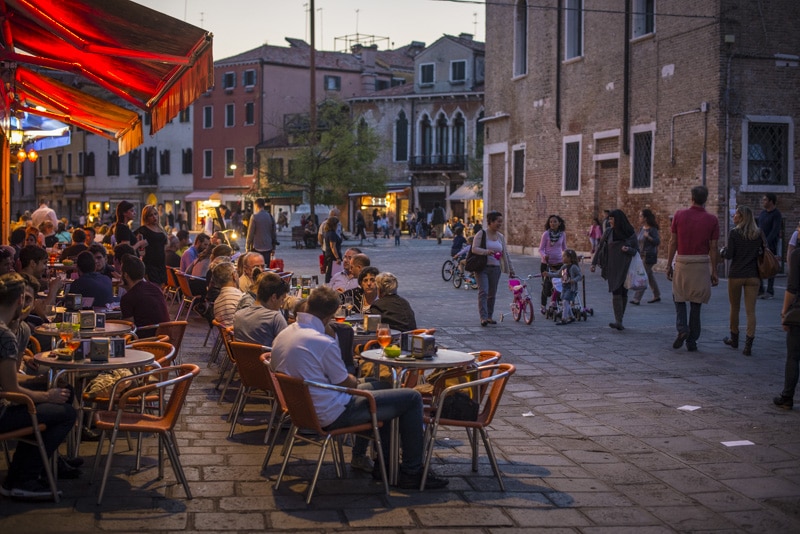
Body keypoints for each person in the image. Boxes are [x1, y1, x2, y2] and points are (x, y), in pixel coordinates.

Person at [269, 286, 448, 489]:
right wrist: (353, 378)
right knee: (411, 398)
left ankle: (384, 466)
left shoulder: (285, 334)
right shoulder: (321, 341)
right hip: (333, 412)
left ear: (308, 305)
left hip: (303, 408)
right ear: (331, 314)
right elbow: (345, 382)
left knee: (384, 388)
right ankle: (412, 470)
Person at [0, 272, 77, 500]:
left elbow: (9, 379)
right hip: (2, 410)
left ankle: (41, 466)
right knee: (66, 413)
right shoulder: (5, 336)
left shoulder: (9, 329)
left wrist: (41, 383)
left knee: (64, 391)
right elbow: (13, 393)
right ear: (19, 301)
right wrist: (46, 395)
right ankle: (22, 479)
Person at [666, 185, 720, 352]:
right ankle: (692, 341)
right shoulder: (712, 220)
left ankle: (682, 328)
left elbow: (673, 242)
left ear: (692, 198)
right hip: (701, 263)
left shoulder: (679, 215)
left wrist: (669, 264)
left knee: (679, 297)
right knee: (696, 303)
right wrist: (715, 271)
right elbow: (713, 247)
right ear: (706, 199)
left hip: (682, 261)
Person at [721, 206, 762, 356]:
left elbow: (729, 254)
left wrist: (722, 251)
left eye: (736, 214)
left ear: (741, 217)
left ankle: (734, 338)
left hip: (736, 274)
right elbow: (762, 252)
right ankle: (748, 345)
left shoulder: (734, 233)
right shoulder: (758, 234)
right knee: (751, 311)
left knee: (735, 307)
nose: (734, 216)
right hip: (753, 275)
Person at [590, 209, 638, 330]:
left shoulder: (630, 232)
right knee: (616, 291)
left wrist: (628, 250)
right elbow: (600, 247)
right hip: (612, 267)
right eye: (609, 219)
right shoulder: (608, 232)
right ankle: (618, 320)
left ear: (618, 220)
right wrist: (594, 263)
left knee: (623, 292)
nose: (609, 221)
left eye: (611, 219)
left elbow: (636, 250)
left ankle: (619, 320)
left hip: (626, 266)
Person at [471, 211, 515, 326]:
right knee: (483, 291)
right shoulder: (481, 234)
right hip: (482, 268)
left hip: (496, 268)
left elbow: (505, 254)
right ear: (490, 222)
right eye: (498, 221)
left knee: (492, 293)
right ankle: (483, 317)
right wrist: (486, 252)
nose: (500, 224)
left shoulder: (500, 236)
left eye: (501, 221)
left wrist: (511, 269)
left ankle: (490, 316)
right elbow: (474, 249)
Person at [775, 244, 800, 410]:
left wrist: (785, 312)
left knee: (793, 356)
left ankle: (787, 397)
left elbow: (791, 287)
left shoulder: (797, 255)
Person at [233, 271, 288, 346]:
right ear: (274, 297)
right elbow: (286, 347)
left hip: (239, 357)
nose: (282, 304)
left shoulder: (237, 316)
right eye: (282, 299)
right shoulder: (275, 318)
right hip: (266, 357)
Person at [119, 255, 170, 329]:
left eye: (121, 273)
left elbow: (128, 329)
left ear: (126, 275)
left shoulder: (127, 298)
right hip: (165, 337)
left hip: (145, 339)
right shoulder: (156, 288)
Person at [630, 209, 662, 305]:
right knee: (649, 276)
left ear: (645, 218)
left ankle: (637, 298)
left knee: (642, 276)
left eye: (640, 216)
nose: (639, 218)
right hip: (641, 255)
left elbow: (657, 241)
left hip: (649, 256)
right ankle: (657, 295)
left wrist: (648, 237)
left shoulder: (652, 229)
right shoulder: (642, 229)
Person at [538, 215, 567, 313]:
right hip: (546, 264)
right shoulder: (546, 234)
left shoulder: (562, 234)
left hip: (559, 263)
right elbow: (540, 249)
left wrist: (569, 256)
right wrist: (544, 255)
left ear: (559, 223)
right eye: (550, 222)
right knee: (547, 285)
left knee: (560, 284)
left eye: (555, 222)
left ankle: (555, 303)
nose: (552, 224)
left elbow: (564, 248)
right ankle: (543, 306)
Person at [134, 205, 168, 285]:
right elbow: (132, 239)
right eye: (151, 215)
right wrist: (140, 246)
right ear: (146, 217)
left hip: (161, 264)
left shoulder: (161, 229)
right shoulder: (143, 229)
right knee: (154, 289)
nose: (154, 217)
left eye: (155, 214)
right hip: (150, 265)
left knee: (160, 289)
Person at [757, 193, 781, 299]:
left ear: (771, 201)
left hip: (771, 245)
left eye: (765, 200)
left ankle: (770, 291)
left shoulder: (776, 214)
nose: (763, 202)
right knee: (758, 265)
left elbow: (775, 230)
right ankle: (760, 289)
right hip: (760, 244)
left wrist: (767, 242)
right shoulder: (762, 213)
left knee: (771, 266)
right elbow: (759, 228)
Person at [211, 262, 243, 328]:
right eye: (236, 272)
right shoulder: (239, 297)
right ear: (234, 275)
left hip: (230, 336)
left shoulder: (217, 301)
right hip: (241, 336)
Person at [246, 198, 278, 262]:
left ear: (256, 205)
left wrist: (247, 246)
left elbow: (250, 233)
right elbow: (273, 233)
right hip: (268, 246)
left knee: (257, 266)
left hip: (256, 246)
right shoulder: (270, 216)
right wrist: (273, 248)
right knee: (266, 267)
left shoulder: (254, 217)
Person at [556, 249, 582, 325]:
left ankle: (564, 319)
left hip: (571, 288)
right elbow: (558, 274)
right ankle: (572, 317)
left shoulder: (574, 267)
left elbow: (580, 276)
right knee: (565, 302)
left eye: (564, 256)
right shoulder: (564, 267)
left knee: (565, 302)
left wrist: (574, 280)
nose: (562, 257)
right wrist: (548, 274)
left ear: (569, 258)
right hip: (564, 287)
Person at [323, 216, 343, 284]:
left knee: (331, 273)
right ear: (334, 225)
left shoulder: (328, 233)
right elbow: (333, 246)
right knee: (332, 273)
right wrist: (337, 258)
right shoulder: (332, 234)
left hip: (329, 255)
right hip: (332, 257)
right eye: (337, 224)